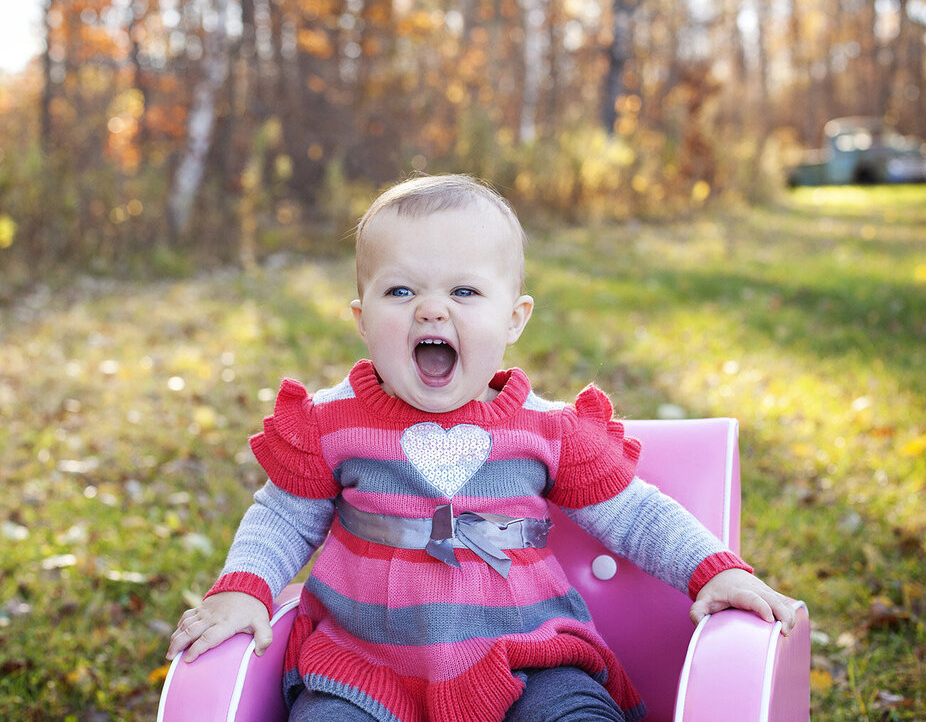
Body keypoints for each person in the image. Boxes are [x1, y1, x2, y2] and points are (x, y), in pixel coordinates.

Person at [166, 174, 797, 722]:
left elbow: (634, 513)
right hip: (363, 668)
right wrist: (244, 587)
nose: (432, 312)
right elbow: (282, 516)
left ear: (515, 319)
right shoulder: (330, 424)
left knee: (573, 713)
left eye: (464, 293)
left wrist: (716, 570)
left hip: (526, 658)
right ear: (361, 318)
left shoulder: (547, 430)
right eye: (401, 292)